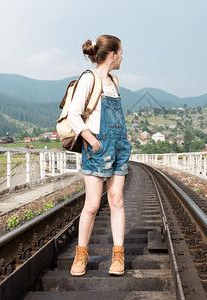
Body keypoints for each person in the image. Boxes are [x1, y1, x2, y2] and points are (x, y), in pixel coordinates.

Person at [68, 35, 132, 276]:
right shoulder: (89, 78)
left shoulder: (114, 81)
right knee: (93, 205)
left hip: (118, 147)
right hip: (98, 148)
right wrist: (93, 142)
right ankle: (81, 256)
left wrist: (125, 137)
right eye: (121, 53)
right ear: (112, 55)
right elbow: (75, 115)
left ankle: (118, 256)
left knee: (117, 201)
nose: (123, 57)